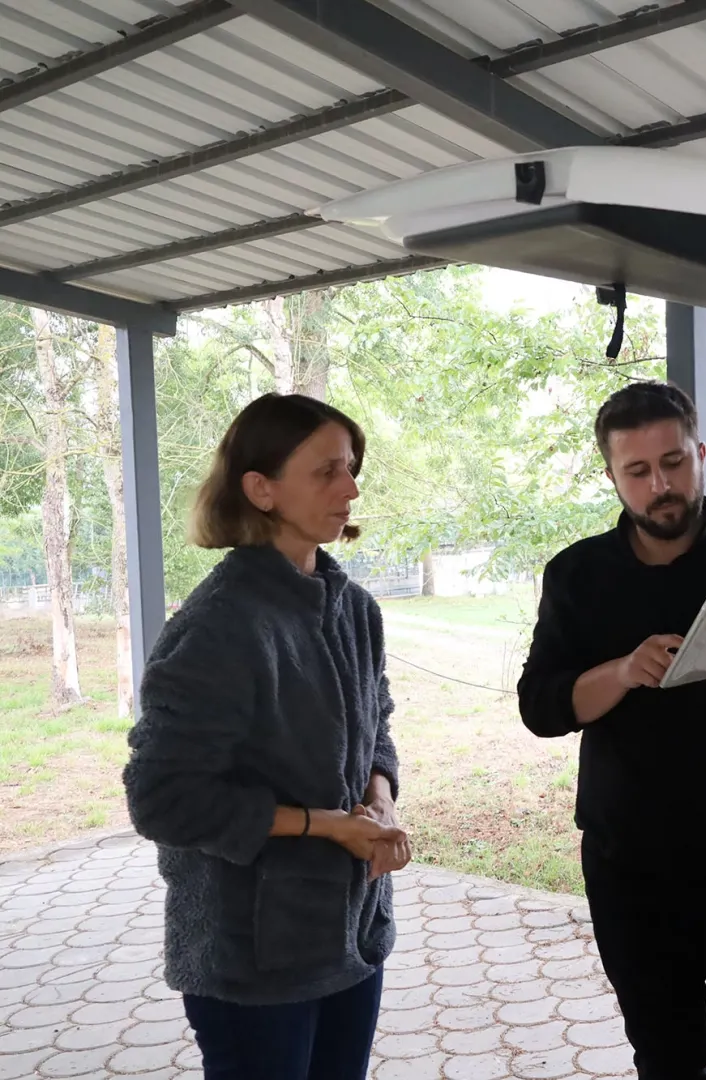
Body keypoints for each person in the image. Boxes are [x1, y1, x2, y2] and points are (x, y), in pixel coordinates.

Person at [518, 380, 706, 1079]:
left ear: (700, 454)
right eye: (638, 471)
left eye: (674, 462)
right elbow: (540, 707)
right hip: (632, 860)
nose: (661, 486)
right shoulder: (578, 573)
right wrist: (623, 671)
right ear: (612, 477)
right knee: (665, 1053)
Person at [122, 392, 412, 1080]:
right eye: (327, 471)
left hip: (352, 934)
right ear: (261, 489)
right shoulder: (220, 625)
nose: (351, 488)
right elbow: (162, 799)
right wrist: (327, 825)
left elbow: (376, 723)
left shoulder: (354, 609)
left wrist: (379, 804)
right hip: (250, 959)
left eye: (351, 467)